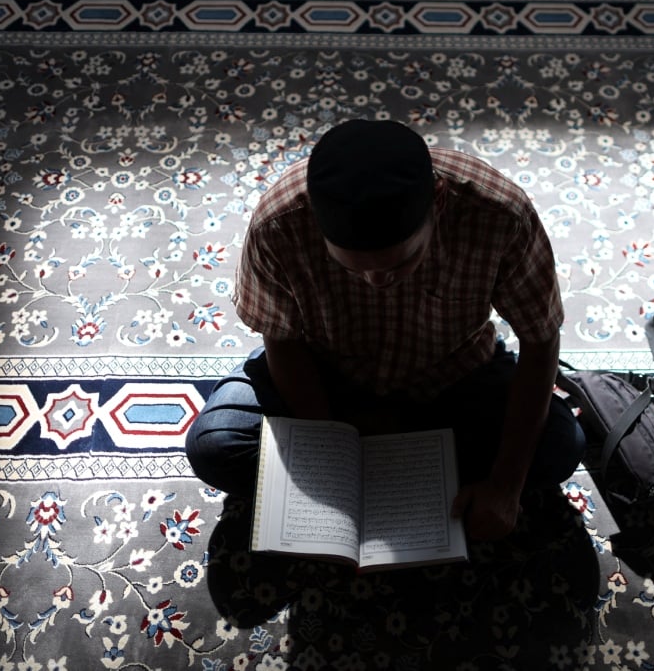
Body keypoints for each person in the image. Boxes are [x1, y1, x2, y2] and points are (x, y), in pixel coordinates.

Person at [185, 119, 586, 541]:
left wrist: (505, 487)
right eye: (350, 268)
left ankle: (406, 457)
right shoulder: (279, 223)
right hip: (324, 378)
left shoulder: (500, 214)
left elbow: (541, 339)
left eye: (399, 265)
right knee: (217, 445)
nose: (378, 282)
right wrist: (333, 442)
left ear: (439, 202)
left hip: (456, 379)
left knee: (560, 447)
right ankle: (429, 466)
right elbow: (281, 339)